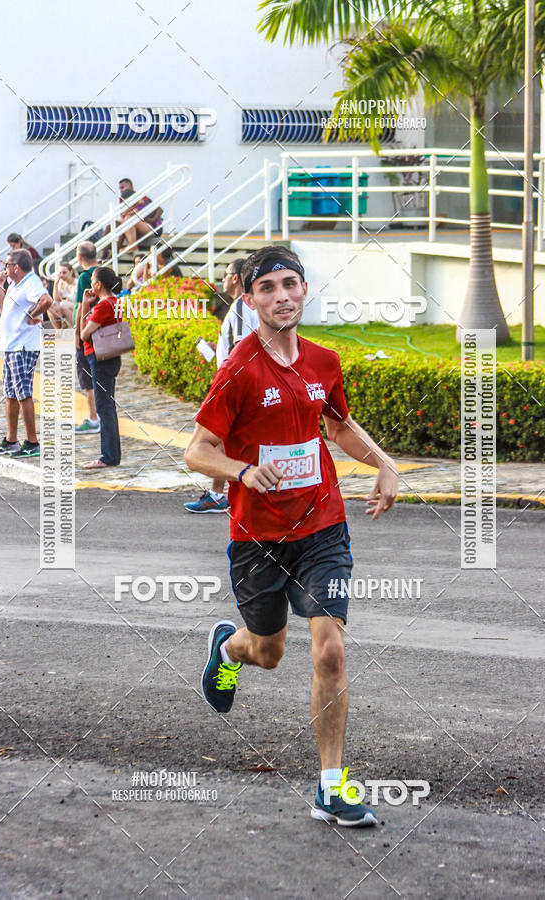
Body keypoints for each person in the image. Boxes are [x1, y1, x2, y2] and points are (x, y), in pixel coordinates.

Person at [185, 245, 398, 827]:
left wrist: (384, 463)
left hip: (323, 524)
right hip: (257, 535)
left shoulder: (324, 361)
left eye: (291, 284)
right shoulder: (239, 370)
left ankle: (332, 787)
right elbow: (196, 452)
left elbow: (338, 423)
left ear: (304, 290)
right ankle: (229, 649)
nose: (282, 296)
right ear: (250, 299)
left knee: (329, 648)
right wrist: (243, 471)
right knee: (270, 652)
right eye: (268, 288)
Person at [184, 257, 258, 514]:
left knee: (212, 441)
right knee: (225, 439)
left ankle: (223, 494)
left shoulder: (240, 306)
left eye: (226, 274)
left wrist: (228, 383)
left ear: (236, 277)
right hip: (240, 381)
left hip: (233, 384)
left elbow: (240, 347)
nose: (223, 279)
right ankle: (218, 494)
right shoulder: (248, 305)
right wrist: (217, 351)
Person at [0, 249, 52, 458]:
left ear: (16, 267)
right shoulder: (16, 285)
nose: (5, 268)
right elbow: (4, 312)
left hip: (23, 347)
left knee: (23, 393)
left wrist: (31, 314)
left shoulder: (31, 282)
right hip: (11, 346)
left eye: (7, 264)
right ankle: (11, 439)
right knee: (10, 394)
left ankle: (32, 441)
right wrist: (0, 287)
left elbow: (47, 300)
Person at [79, 266, 123, 469]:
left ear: (98, 284)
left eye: (92, 282)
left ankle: (108, 456)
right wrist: (88, 304)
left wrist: (86, 306)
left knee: (104, 407)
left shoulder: (103, 306)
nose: (90, 286)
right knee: (108, 407)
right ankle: (112, 455)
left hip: (100, 359)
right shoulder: (115, 302)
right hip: (110, 357)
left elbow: (83, 334)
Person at [73, 242, 100, 434]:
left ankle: (93, 417)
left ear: (79, 257)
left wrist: (76, 332)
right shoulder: (104, 272)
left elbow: (81, 306)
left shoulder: (84, 277)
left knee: (86, 376)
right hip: (101, 328)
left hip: (87, 329)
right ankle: (101, 416)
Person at [118, 177, 163, 249]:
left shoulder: (141, 198)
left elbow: (159, 209)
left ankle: (132, 246)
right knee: (118, 223)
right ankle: (111, 252)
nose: (121, 190)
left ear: (131, 186)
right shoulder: (123, 198)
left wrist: (152, 220)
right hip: (138, 227)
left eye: (123, 187)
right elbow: (122, 215)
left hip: (152, 228)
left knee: (128, 218)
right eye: (120, 188)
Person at [48, 262, 76, 328]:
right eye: (60, 273)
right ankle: (58, 330)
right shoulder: (62, 284)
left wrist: (67, 300)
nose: (61, 275)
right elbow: (56, 300)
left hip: (77, 308)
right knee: (50, 307)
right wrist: (56, 284)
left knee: (63, 305)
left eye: (64, 272)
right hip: (64, 308)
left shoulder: (77, 282)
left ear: (71, 272)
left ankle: (73, 329)